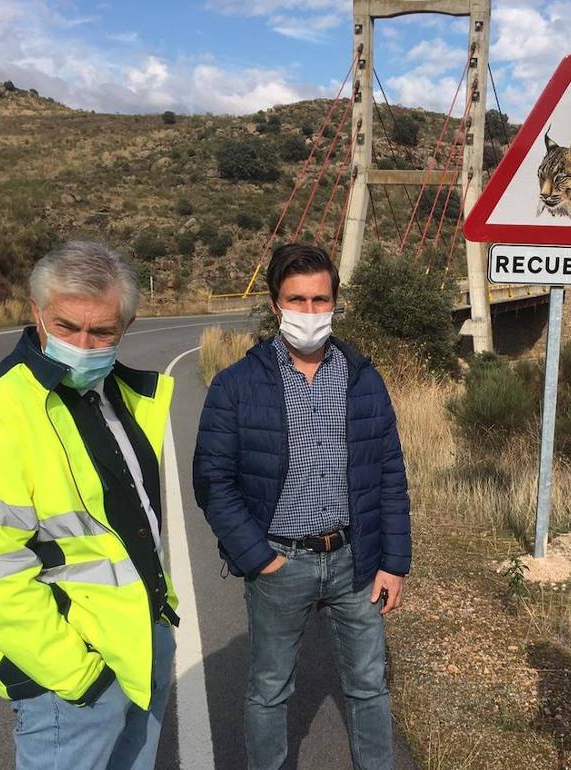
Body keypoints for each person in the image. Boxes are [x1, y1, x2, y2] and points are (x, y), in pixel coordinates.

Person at [0, 241, 178, 770]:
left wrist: (161, 618)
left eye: (102, 333)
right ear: (36, 314)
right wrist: (79, 676)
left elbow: (131, 523)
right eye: (67, 327)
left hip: (142, 645)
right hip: (70, 681)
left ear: (128, 326)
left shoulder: (121, 395)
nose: (84, 344)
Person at [192, 243, 411, 770]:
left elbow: (388, 474)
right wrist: (257, 557)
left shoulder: (363, 378)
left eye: (320, 300)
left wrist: (393, 562)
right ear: (275, 305)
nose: (309, 313)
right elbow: (212, 480)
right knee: (269, 691)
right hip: (278, 562)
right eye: (297, 300)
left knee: (369, 688)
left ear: (335, 302)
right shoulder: (236, 385)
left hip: (354, 562)